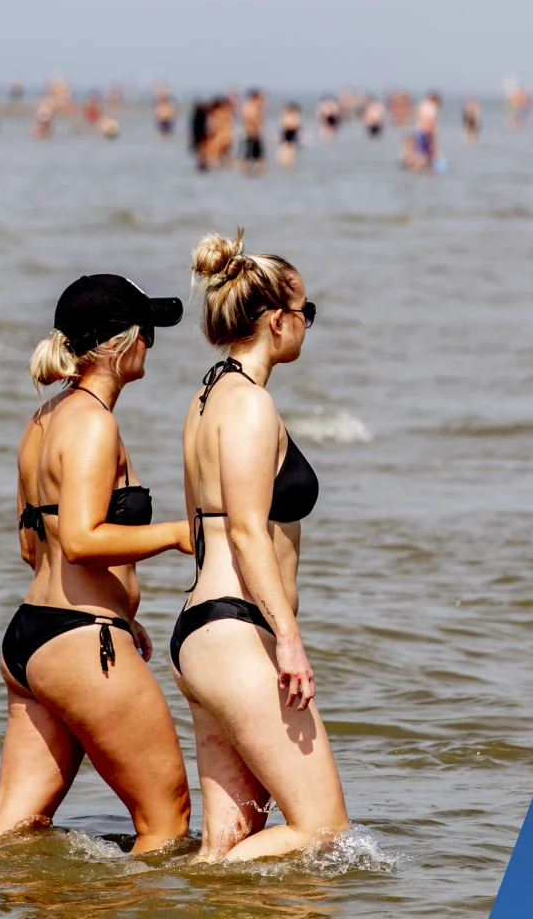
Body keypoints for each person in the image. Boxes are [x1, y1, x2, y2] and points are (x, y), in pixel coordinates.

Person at [0, 275, 193, 851]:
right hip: (80, 641)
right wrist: (178, 533)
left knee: (6, 834)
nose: (152, 342)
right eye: (148, 331)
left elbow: (32, 544)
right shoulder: (96, 423)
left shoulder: (42, 420)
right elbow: (79, 540)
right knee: (165, 823)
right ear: (123, 343)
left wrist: (121, 607)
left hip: (29, 637)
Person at [175, 231, 348, 861]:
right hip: (237, 631)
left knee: (226, 844)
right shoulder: (250, 405)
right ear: (277, 320)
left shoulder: (203, 399)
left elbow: (199, 526)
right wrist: (290, 641)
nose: (308, 326)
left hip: (204, 632)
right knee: (323, 833)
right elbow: (245, 531)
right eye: (307, 314)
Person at [239, 88, 267, 173]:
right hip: (251, 133)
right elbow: (250, 119)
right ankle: (246, 168)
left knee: (255, 153)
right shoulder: (250, 106)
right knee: (248, 152)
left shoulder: (254, 106)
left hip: (253, 132)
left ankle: (255, 169)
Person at [276, 102, 302, 168]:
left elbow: (297, 124)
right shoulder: (286, 114)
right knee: (285, 147)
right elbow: (284, 124)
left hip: (293, 132)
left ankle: (289, 161)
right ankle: (283, 161)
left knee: (292, 148)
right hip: (287, 132)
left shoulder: (295, 115)